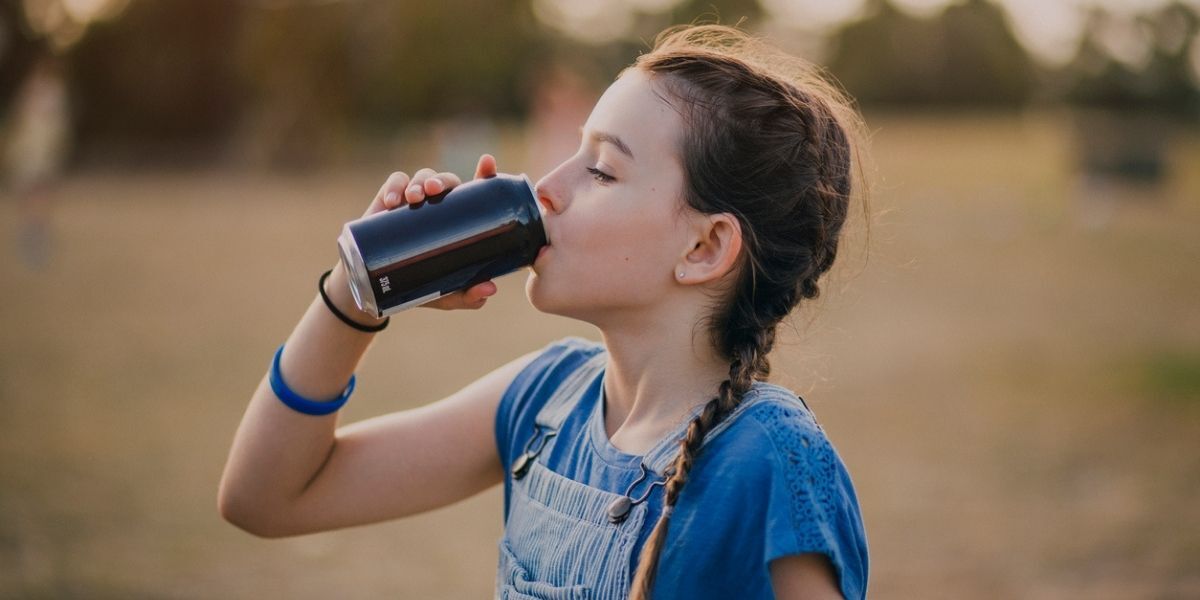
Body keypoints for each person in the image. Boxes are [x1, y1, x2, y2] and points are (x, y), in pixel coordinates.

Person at [219, 24, 870, 600]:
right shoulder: (545, 398)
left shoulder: (770, 459)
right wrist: (355, 293)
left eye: (603, 171)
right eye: (571, 153)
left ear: (704, 247)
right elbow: (267, 498)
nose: (546, 189)